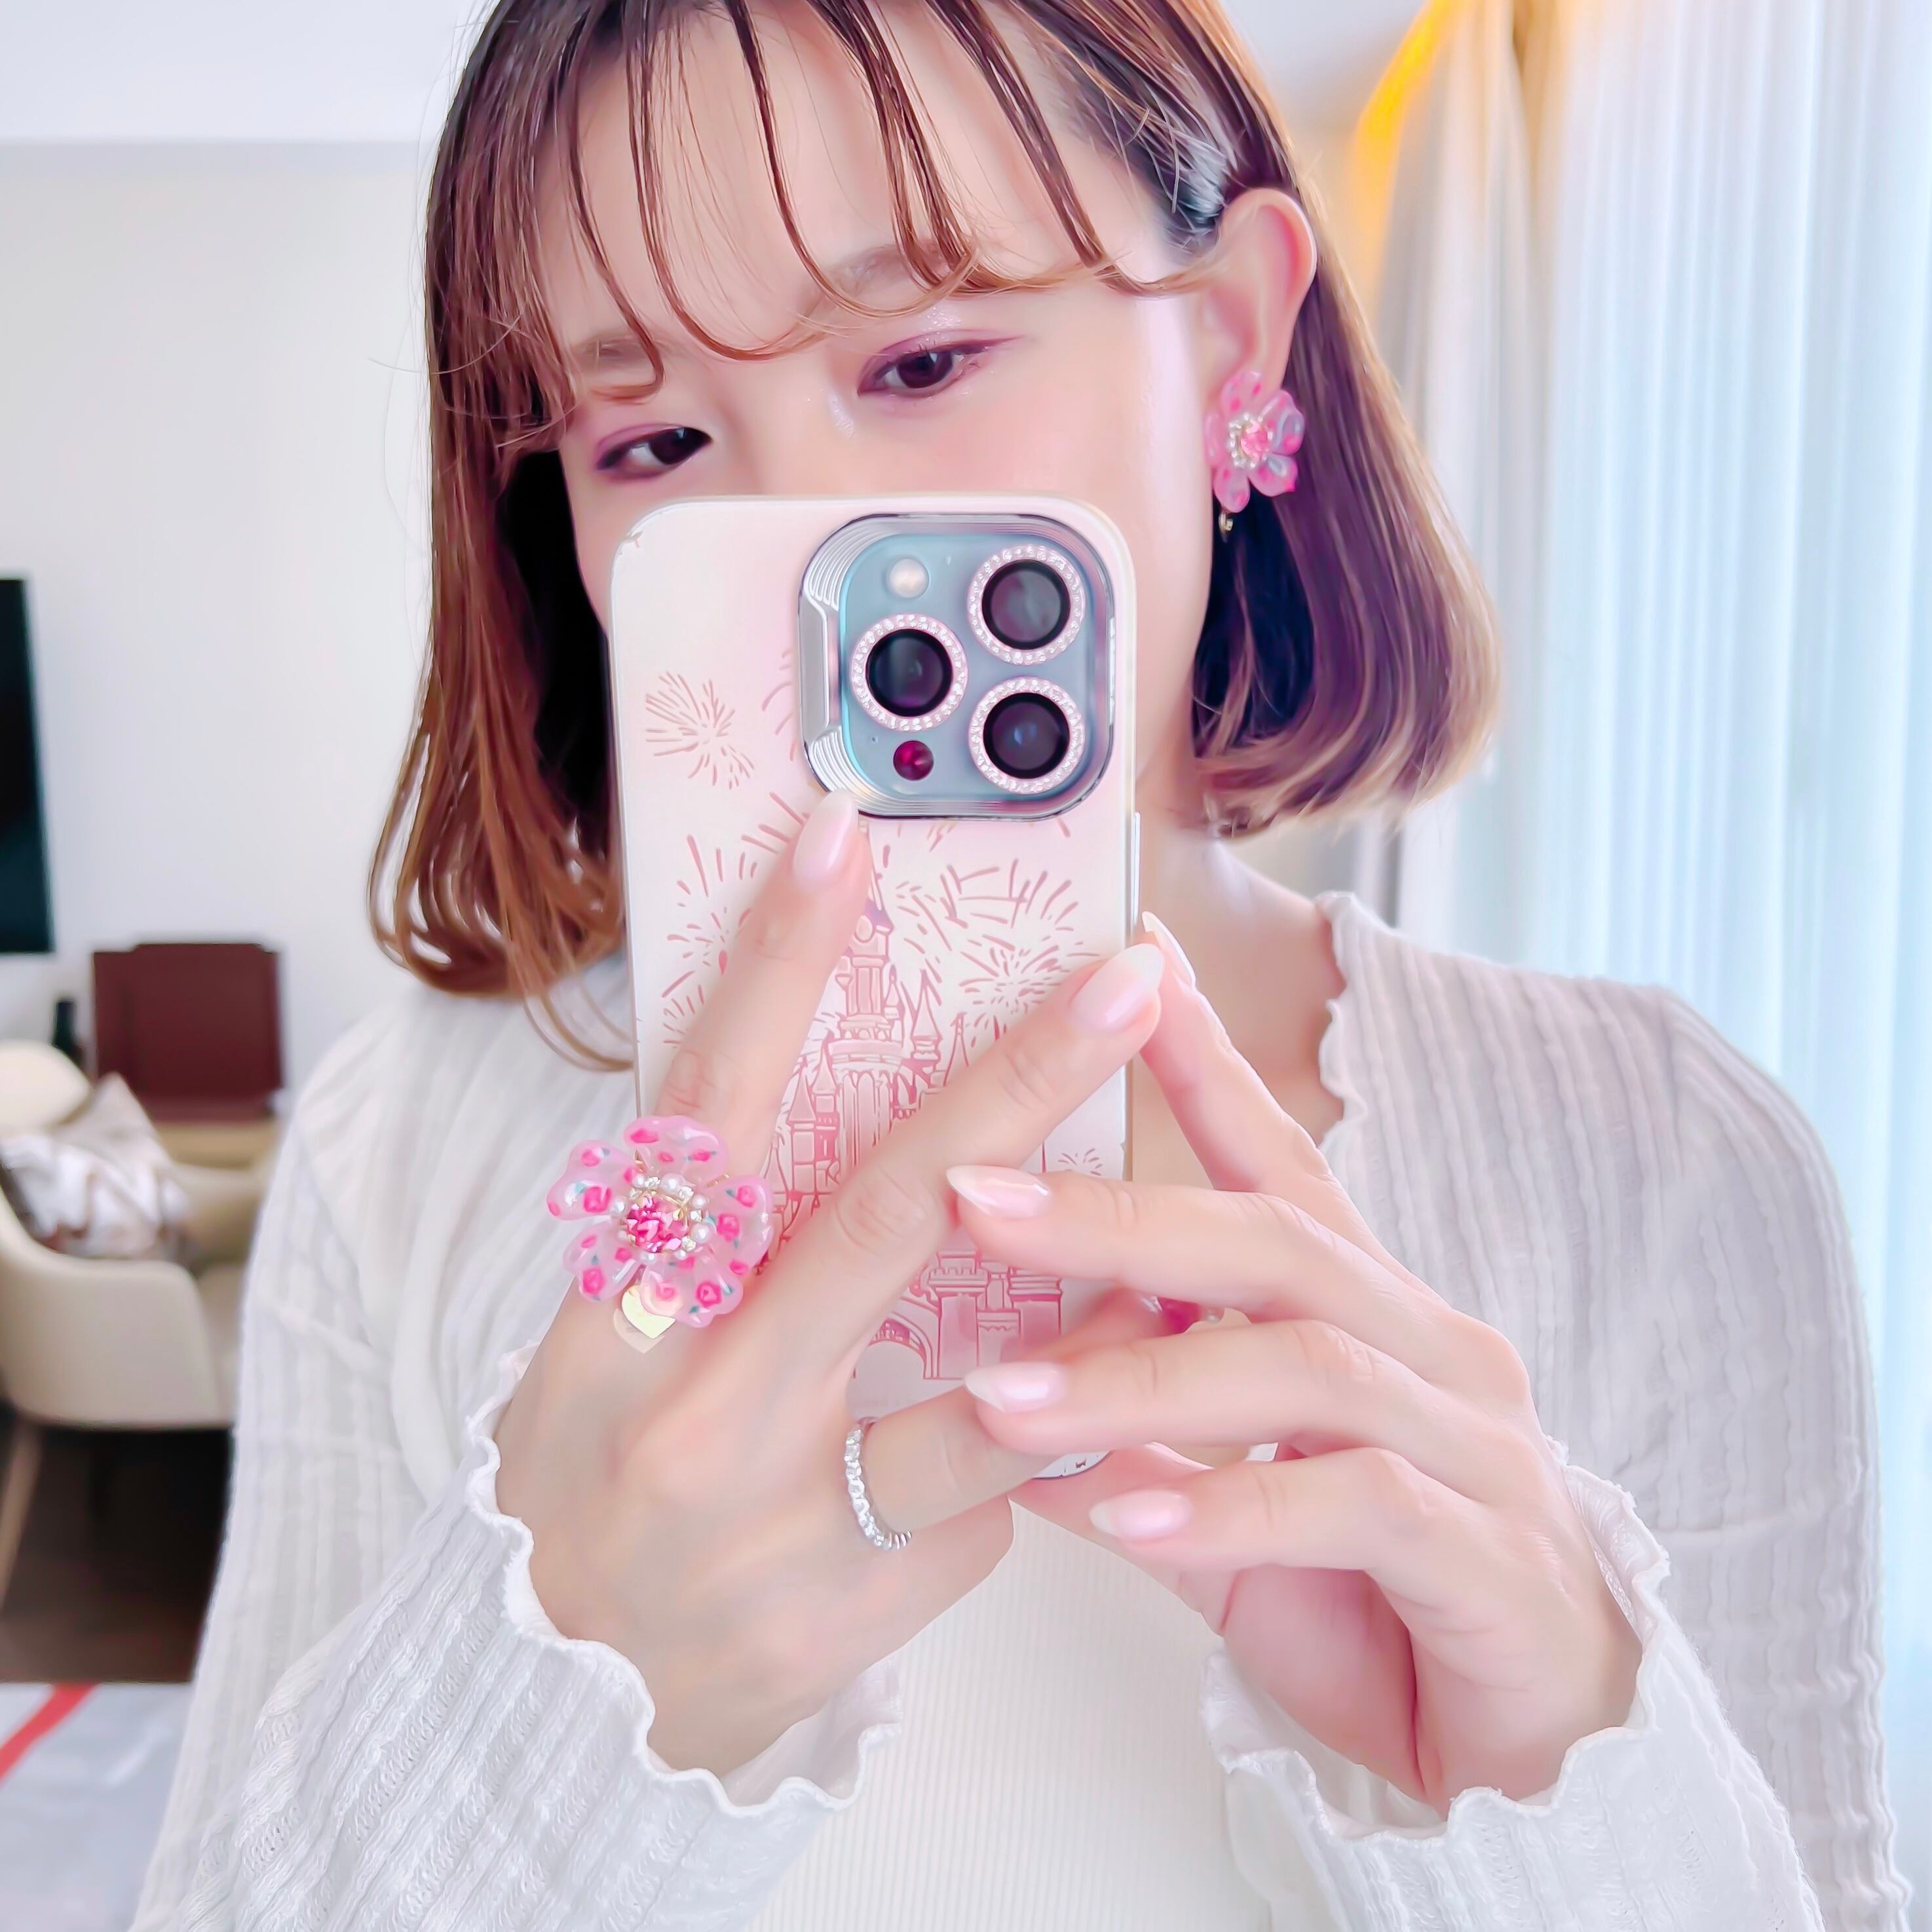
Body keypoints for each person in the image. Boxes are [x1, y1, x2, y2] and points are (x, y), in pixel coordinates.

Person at [132, 2, 1909, 1927]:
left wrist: (1558, 1771)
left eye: (921, 357)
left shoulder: (1665, 1161)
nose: (797, 530)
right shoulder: (403, 1146)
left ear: (1234, 331)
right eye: (649, 437)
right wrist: (544, 1715)